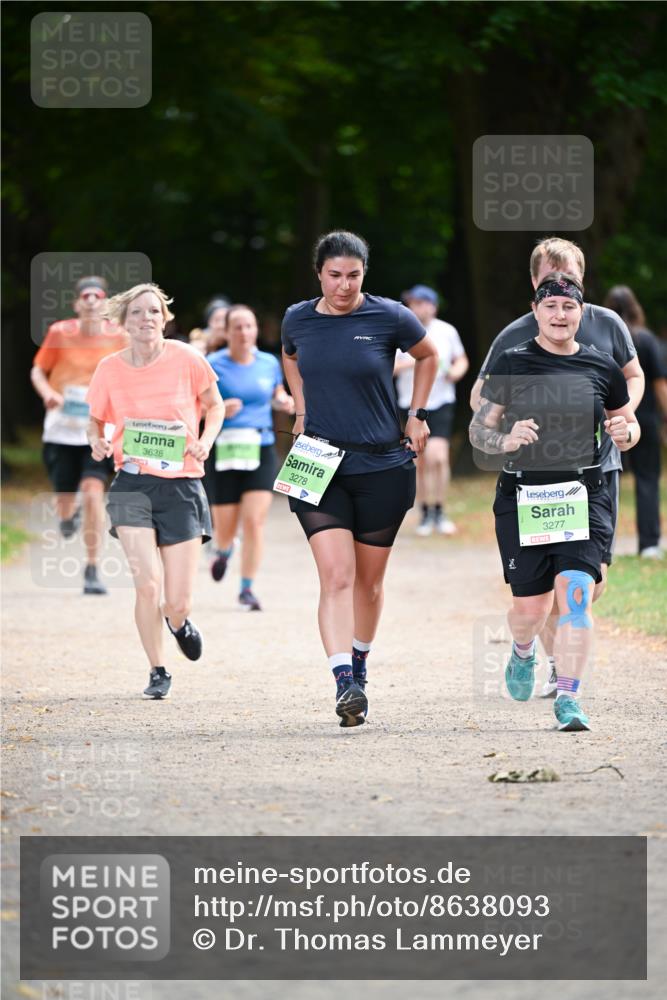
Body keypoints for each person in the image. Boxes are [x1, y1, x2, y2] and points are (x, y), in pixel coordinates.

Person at [470, 237, 645, 697]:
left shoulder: (605, 340)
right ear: (535, 293)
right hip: (528, 487)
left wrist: (624, 427)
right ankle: (530, 650)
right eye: (551, 298)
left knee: (581, 589)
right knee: (533, 605)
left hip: (589, 481)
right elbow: (480, 410)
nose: (561, 311)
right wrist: (506, 434)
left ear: (582, 297)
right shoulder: (512, 346)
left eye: (570, 299)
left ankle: (567, 690)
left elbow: (628, 398)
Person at [281, 231, 438, 727]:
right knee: (336, 576)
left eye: (353, 275)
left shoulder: (390, 316)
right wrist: (301, 409)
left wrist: (417, 414)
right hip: (318, 463)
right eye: (334, 275)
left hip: (382, 466)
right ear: (318, 274)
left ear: (364, 274)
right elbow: (290, 355)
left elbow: (428, 356)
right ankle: (343, 681)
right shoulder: (297, 319)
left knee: (368, 585)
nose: (344, 285)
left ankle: (360, 661)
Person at [86, 283, 224, 700]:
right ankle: (158, 669)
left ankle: (178, 623)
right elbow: (95, 420)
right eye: (137, 312)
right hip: (132, 484)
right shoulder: (109, 369)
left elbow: (215, 405)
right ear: (123, 322)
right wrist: (96, 441)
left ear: (165, 319)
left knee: (177, 600)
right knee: (147, 584)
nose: (146, 318)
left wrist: (206, 440)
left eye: (153, 311)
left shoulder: (188, 358)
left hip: (182, 485)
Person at [30, 275, 128, 595]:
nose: (91, 302)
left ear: (105, 304)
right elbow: (38, 370)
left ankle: (92, 569)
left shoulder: (119, 336)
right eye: (85, 297)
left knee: (92, 492)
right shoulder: (60, 332)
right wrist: (47, 393)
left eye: (97, 297)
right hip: (62, 428)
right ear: (76, 304)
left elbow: (131, 373)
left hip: (98, 428)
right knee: (64, 497)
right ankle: (67, 515)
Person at [207, 304, 295, 610]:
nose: (244, 332)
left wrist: (283, 401)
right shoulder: (212, 364)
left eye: (249, 326)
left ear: (255, 330)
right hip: (224, 449)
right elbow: (197, 405)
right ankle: (223, 550)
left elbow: (277, 392)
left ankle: (246, 589)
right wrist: (219, 409)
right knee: (225, 528)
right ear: (227, 331)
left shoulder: (268, 363)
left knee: (254, 521)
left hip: (259, 447)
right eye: (237, 327)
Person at [395, 284, 469, 535]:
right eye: (411, 303)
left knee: (438, 457)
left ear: (432, 306)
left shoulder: (446, 331)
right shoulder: (400, 330)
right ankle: (425, 512)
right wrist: (416, 361)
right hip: (410, 404)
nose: (414, 308)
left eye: (419, 303)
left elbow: (461, 359)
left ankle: (440, 510)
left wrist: (456, 371)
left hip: (440, 402)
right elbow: (389, 367)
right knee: (420, 461)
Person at [604, 285, 667, 557]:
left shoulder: (603, 340)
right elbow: (660, 385)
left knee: (605, 480)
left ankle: (604, 543)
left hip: (609, 421)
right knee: (647, 480)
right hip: (646, 420)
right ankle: (649, 544)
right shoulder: (647, 340)